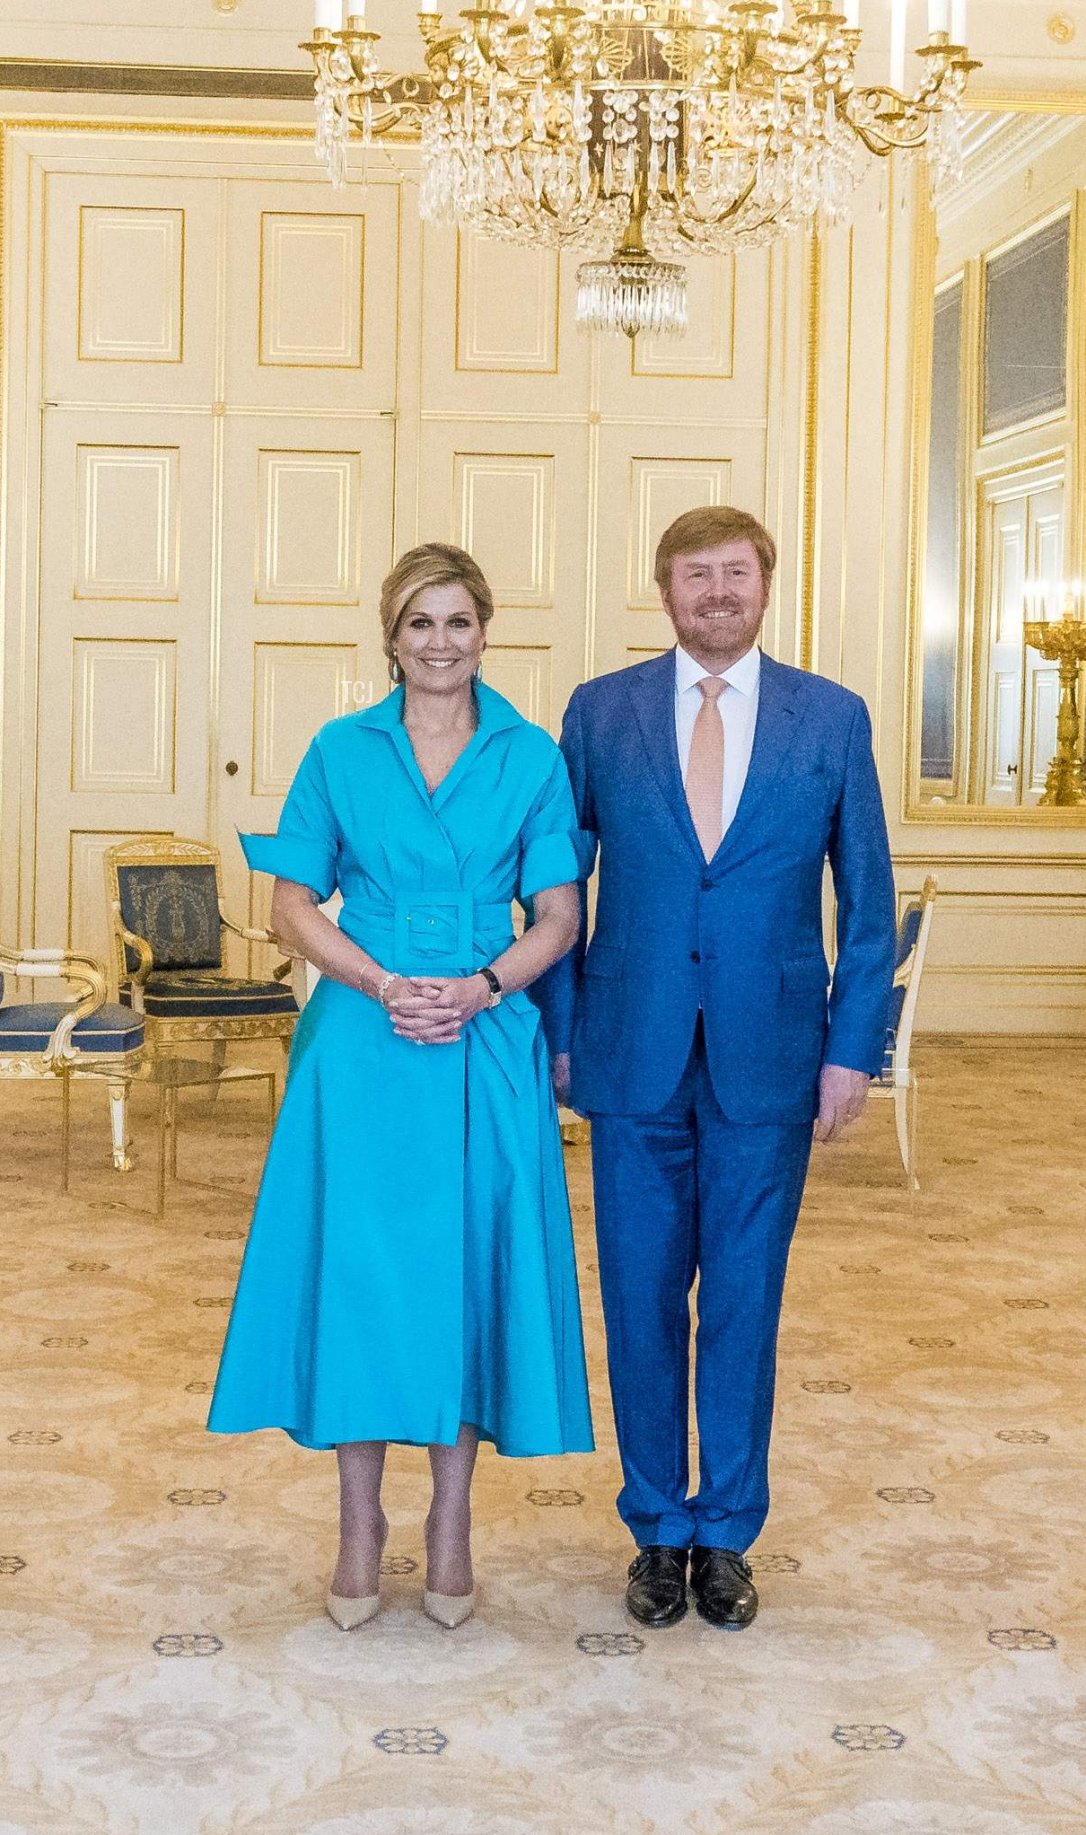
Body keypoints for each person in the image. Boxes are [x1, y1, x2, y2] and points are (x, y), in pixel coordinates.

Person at [208, 542, 593, 1632]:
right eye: (420, 623)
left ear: (486, 631)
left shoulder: (531, 755)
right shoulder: (341, 747)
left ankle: (454, 1523)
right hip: (363, 1042)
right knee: (364, 1283)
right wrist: (381, 983)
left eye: (459, 621)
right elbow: (293, 906)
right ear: (390, 637)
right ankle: (360, 1524)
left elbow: (560, 916)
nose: (439, 642)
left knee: (465, 1278)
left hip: (483, 1033)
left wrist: (476, 987)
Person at [531, 507, 895, 1631]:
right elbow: (554, 884)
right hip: (627, 1048)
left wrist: (851, 1049)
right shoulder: (600, 712)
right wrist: (558, 1025)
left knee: (743, 1300)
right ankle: (655, 1527)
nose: (718, 592)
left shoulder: (830, 718)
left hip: (773, 1058)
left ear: (767, 584)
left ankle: (727, 1531)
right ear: (665, 590)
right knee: (641, 1300)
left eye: (736, 573)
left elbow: (869, 903)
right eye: (698, 576)